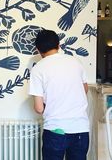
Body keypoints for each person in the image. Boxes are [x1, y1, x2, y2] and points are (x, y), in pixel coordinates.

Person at [28, 29, 89, 160]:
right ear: (58, 46)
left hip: (56, 131)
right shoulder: (75, 62)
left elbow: (39, 109)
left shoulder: (38, 68)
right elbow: (84, 89)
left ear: (38, 50)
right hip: (80, 129)